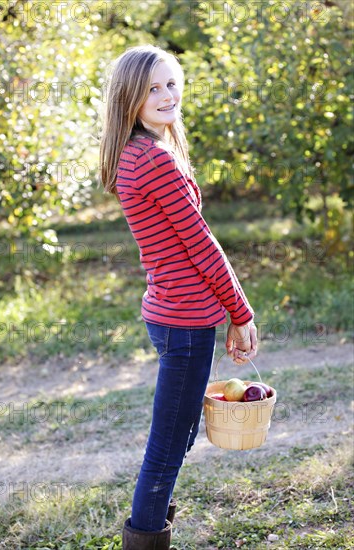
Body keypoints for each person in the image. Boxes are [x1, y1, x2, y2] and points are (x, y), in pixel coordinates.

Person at [99, 44, 257, 550]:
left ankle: (152, 516)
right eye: (153, 88)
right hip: (183, 319)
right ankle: (146, 534)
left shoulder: (139, 151)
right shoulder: (154, 160)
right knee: (169, 442)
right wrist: (241, 312)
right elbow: (201, 243)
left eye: (171, 83)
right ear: (130, 99)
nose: (168, 95)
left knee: (178, 434)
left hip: (174, 314)